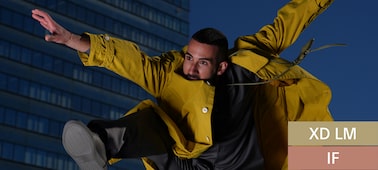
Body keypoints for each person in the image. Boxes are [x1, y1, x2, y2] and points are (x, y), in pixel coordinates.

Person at [32, 0, 334, 169]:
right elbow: (129, 61)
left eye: (201, 63)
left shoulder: (250, 58)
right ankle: (102, 143)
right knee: (155, 121)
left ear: (222, 65)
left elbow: (290, 20)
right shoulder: (172, 73)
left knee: (355, 149)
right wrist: (73, 40)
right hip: (188, 165)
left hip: (263, 159)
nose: (189, 68)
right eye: (189, 57)